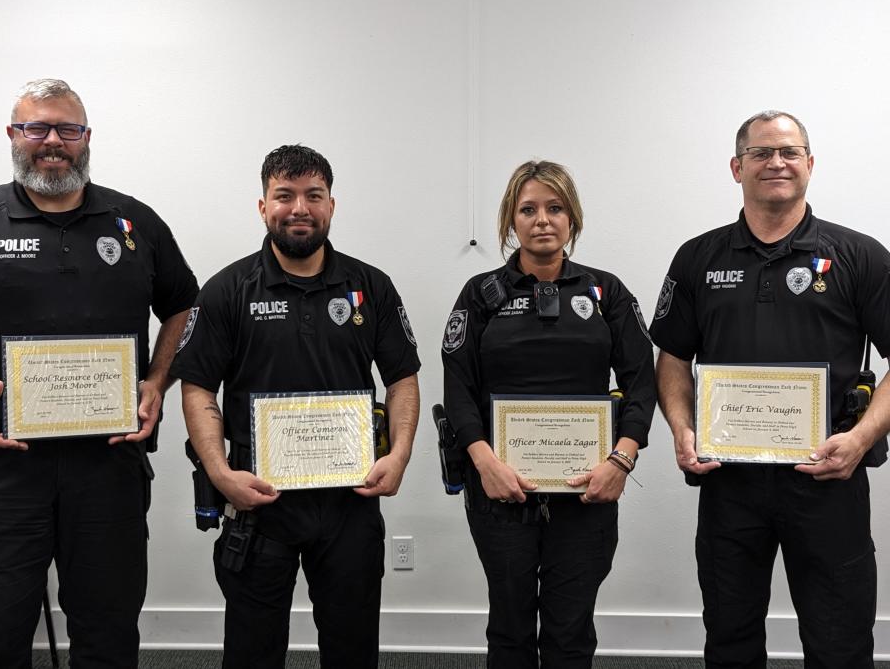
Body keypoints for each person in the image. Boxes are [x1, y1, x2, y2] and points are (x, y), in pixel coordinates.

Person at [0, 78, 198, 668]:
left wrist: (157, 381)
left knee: (107, 636)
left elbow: (186, 305)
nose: (52, 141)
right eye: (37, 128)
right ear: (13, 136)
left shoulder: (136, 223)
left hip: (109, 467)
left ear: (86, 139)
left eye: (67, 130)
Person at [650, 110, 890, 668]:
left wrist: (859, 440)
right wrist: (683, 430)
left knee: (840, 641)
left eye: (788, 152)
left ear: (810, 164)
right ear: (737, 167)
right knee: (730, 638)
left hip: (829, 479)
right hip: (729, 482)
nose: (775, 162)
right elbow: (672, 359)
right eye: (760, 153)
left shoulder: (860, 256)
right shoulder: (697, 258)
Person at [170, 144, 421, 669]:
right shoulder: (226, 290)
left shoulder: (369, 287)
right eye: (284, 195)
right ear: (263, 206)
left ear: (332, 204)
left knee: (352, 648)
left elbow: (401, 378)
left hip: (349, 500)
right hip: (259, 500)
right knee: (253, 650)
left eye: (314, 195)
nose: (299, 208)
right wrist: (219, 472)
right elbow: (196, 387)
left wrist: (398, 456)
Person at [441, 160, 656, 668]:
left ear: (572, 218)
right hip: (501, 490)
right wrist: (484, 463)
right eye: (529, 209)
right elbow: (458, 388)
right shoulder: (480, 295)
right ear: (510, 221)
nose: (542, 220)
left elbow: (641, 383)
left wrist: (620, 463)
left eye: (555, 208)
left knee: (571, 628)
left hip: (588, 490)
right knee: (510, 627)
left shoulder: (606, 293)